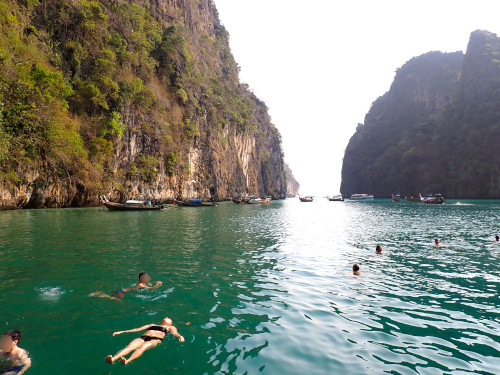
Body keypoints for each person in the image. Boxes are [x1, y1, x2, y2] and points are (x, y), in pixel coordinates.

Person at [105, 317, 185, 365]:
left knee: (141, 348)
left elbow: (175, 333)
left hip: (156, 339)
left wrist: (180, 336)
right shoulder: (152, 325)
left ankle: (127, 361)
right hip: (143, 337)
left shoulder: (170, 327)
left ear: (170, 323)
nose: (166, 317)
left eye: (169, 318)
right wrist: (122, 331)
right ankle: (113, 359)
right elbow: (137, 329)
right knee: (129, 347)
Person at [90, 272, 162, 300]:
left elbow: (149, 284)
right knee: (117, 300)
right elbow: (151, 288)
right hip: (121, 291)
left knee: (114, 297)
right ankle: (99, 294)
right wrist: (158, 284)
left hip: (121, 290)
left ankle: (100, 293)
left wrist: (155, 282)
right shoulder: (141, 285)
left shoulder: (142, 283)